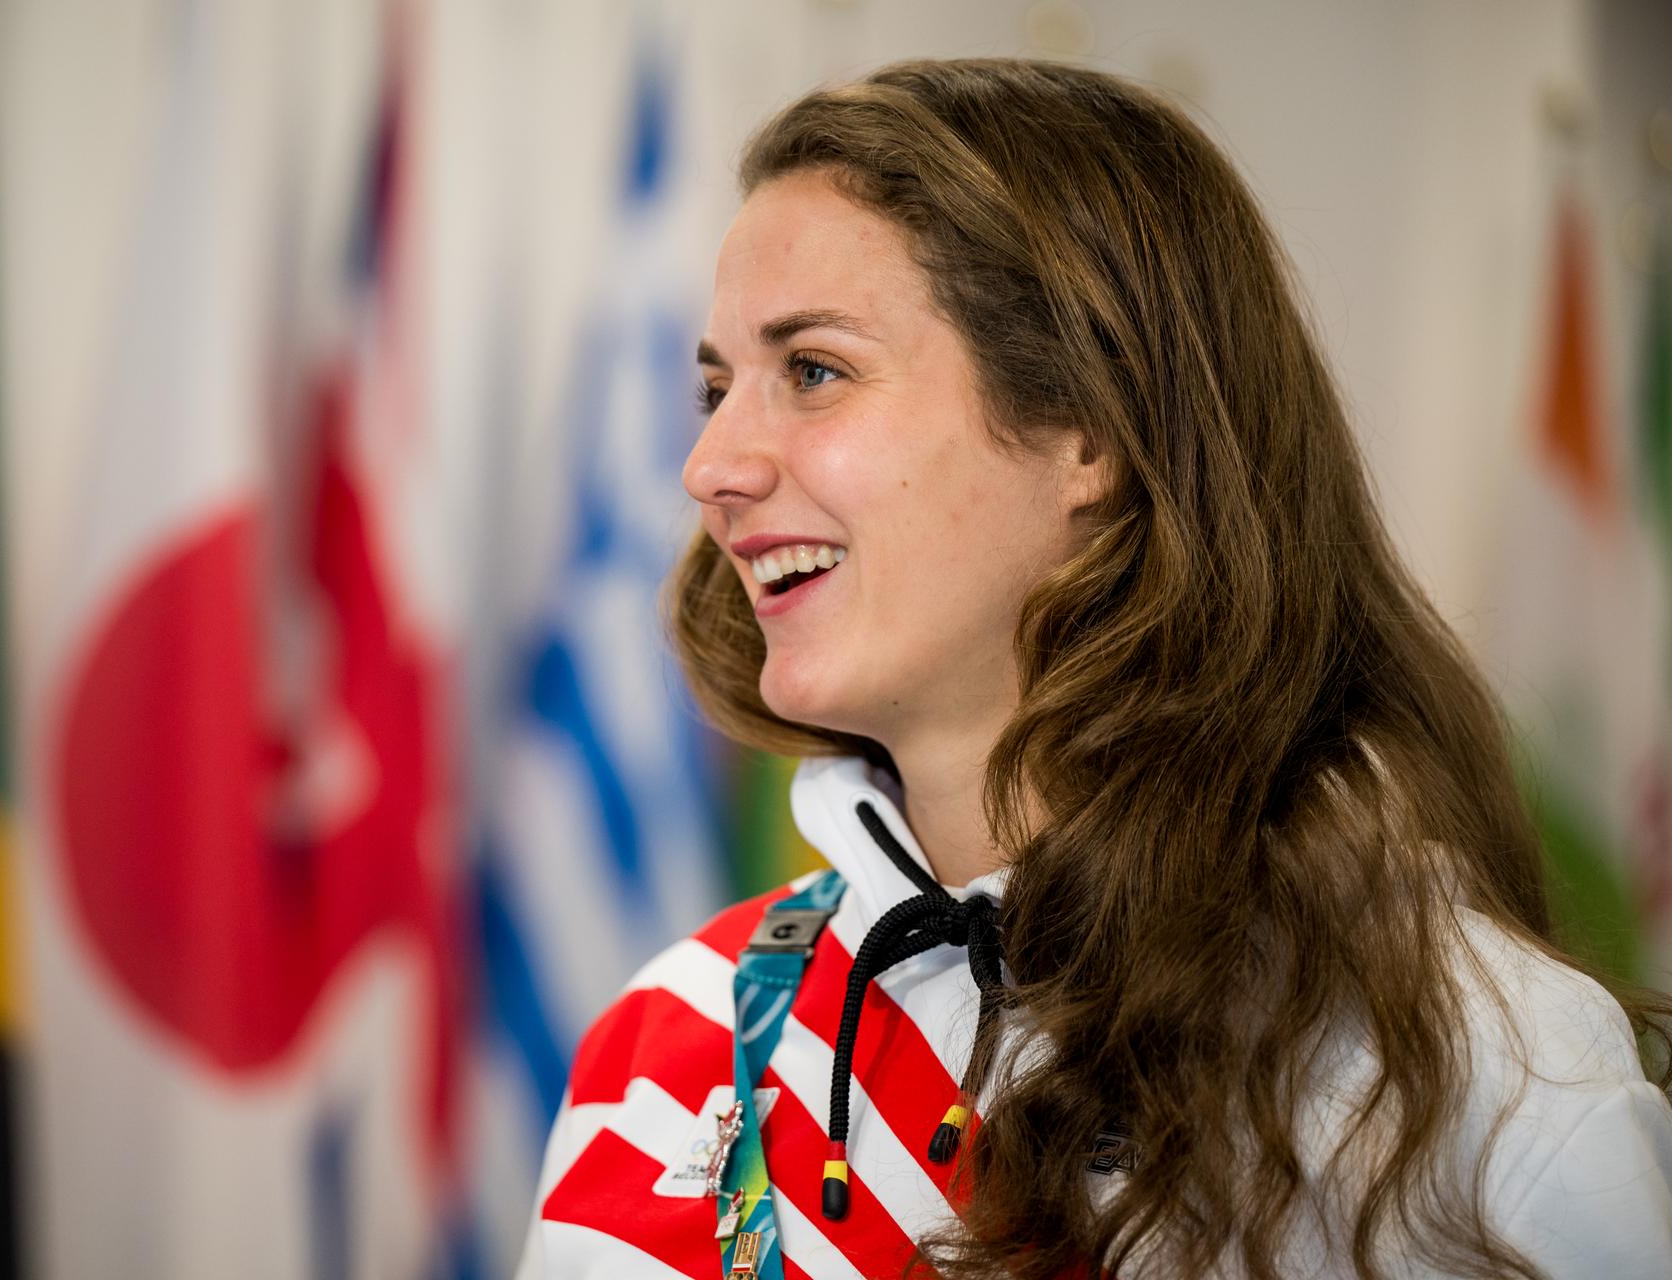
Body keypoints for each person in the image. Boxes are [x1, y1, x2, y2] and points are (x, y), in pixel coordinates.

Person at [515, 57, 1672, 1280]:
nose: (711, 462)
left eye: (813, 370)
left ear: (1091, 430)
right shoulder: (667, 1040)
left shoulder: (1463, 1072)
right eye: (716, 386)